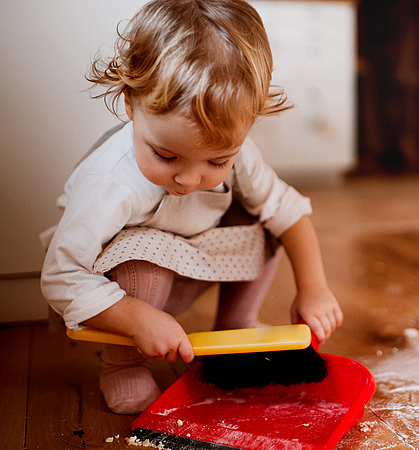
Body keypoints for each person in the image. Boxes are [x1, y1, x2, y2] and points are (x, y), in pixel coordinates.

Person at [40, 0, 343, 414]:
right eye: (166, 156)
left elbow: (289, 212)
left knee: (266, 221)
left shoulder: (242, 155)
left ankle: (235, 327)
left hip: (192, 259)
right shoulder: (109, 182)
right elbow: (61, 276)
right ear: (131, 103)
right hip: (125, 285)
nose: (188, 179)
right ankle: (123, 362)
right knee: (137, 263)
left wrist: (314, 287)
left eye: (217, 162)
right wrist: (134, 318)